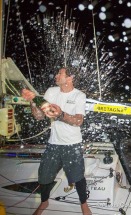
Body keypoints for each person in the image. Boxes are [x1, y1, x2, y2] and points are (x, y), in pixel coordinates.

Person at [22, 67, 92, 215]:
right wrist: (33, 101)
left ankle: (84, 205)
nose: (56, 75)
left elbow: (78, 121)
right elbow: (39, 116)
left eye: (60, 73)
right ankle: (44, 202)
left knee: (77, 177)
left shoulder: (79, 95)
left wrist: (61, 115)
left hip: (72, 144)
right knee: (44, 176)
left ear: (69, 78)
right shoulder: (51, 91)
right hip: (53, 143)